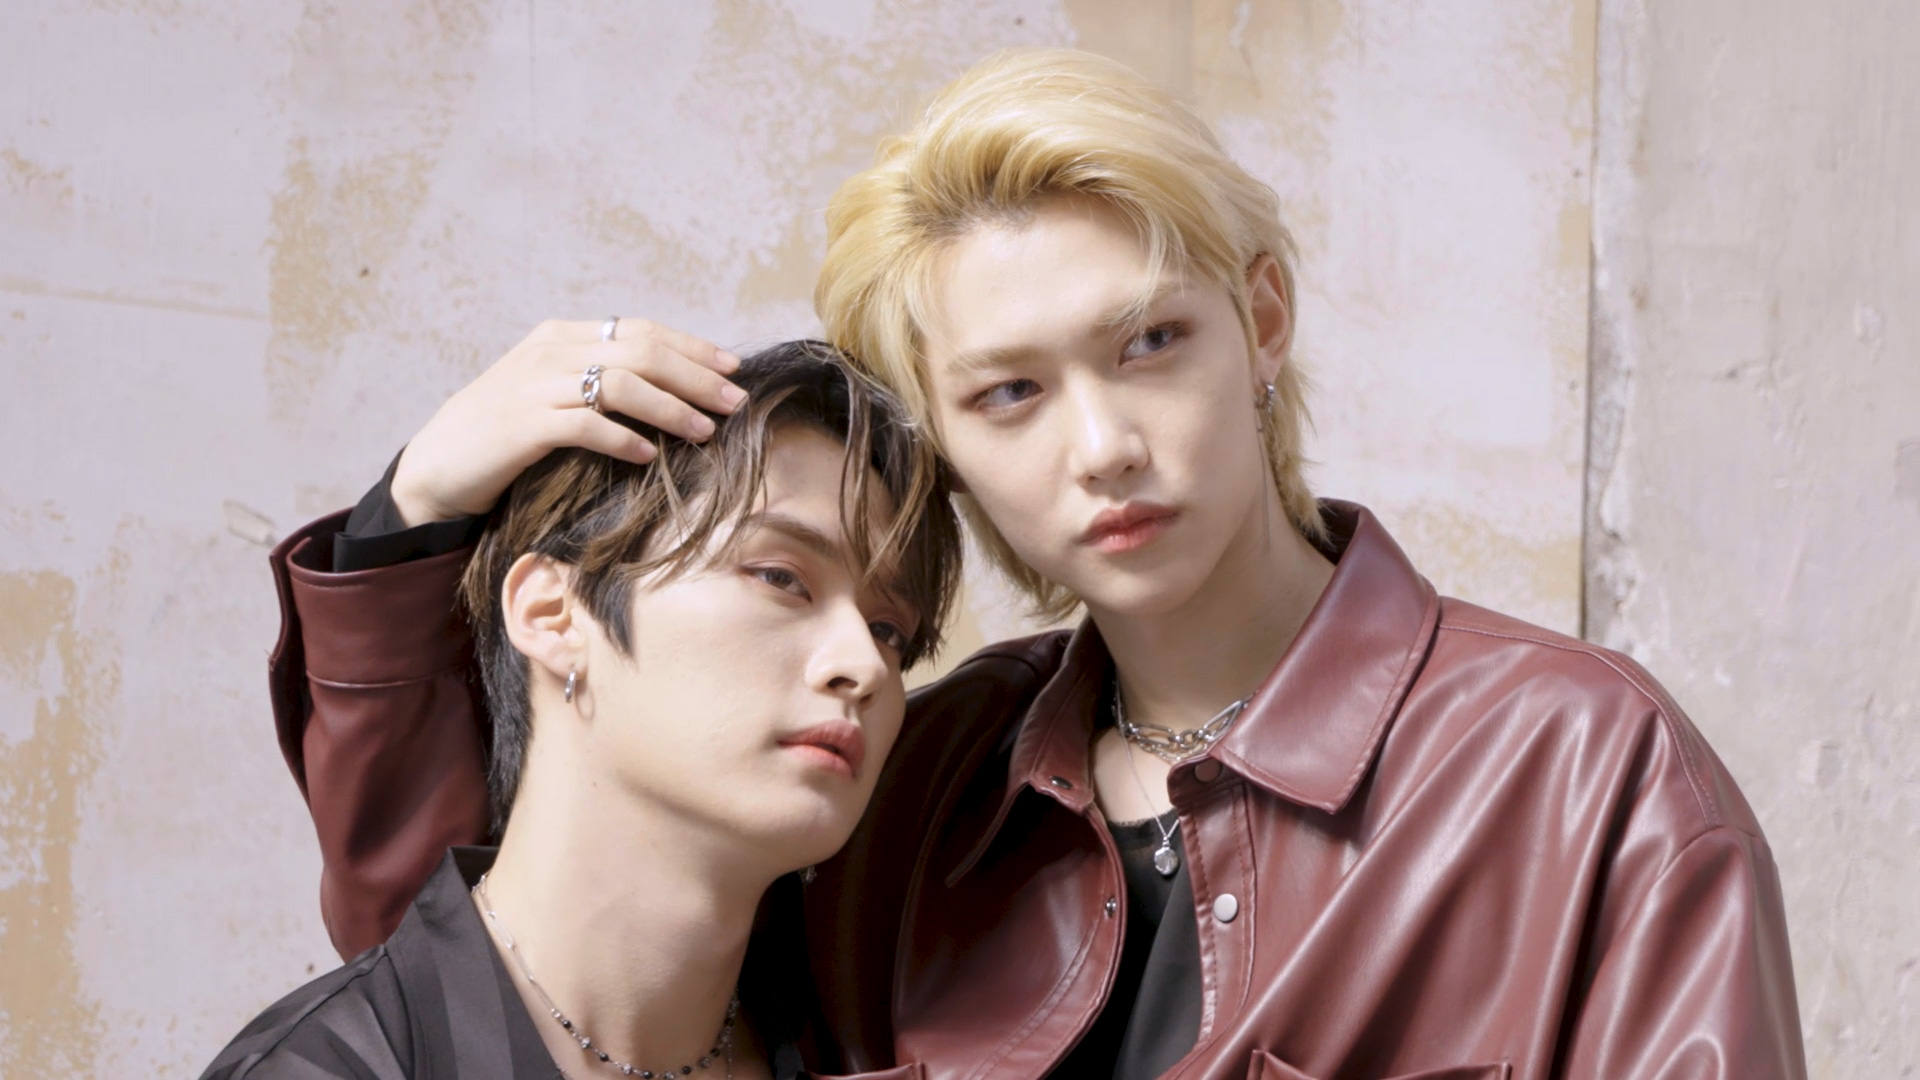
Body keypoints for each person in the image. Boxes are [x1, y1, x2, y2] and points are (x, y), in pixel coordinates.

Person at [256, 50, 1806, 1079]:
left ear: (1262, 322)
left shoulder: (1581, 773)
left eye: (1152, 343)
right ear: (936, 437)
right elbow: (495, 981)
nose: (1104, 446)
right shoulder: (910, 785)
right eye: (1008, 393)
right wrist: (412, 517)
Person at [203, 341, 961, 1079]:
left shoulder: (874, 1032)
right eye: (780, 577)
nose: (865, 665)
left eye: (888, 631)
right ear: (553, 614)